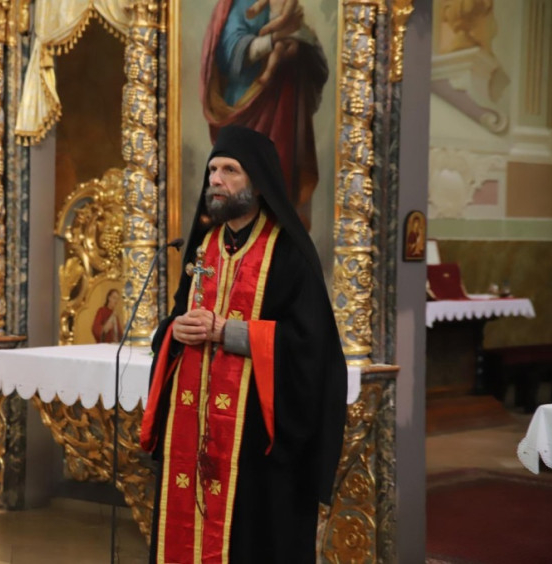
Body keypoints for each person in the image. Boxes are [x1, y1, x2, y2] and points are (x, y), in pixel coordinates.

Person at [140, 125, 347, 563]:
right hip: (195, 425)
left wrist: (229, 333)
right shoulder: (204, 247)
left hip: (256, 437)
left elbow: (311, 348)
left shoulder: (288, 251)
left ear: (258, 181)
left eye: (230, 170)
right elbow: (177, 318)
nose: (216, 179)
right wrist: (175, 332)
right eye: (212, 170)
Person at [201, 0, 328, 228]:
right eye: (214, 170)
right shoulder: (241, 4)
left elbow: (315, 60)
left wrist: (301, 43)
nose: (216, 178)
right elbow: (230, 52)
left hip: (286, 103)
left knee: (283, 166)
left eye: (224, 170)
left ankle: (280, 223)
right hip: (248, 103)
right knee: (246, 166)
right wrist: (272, 40)